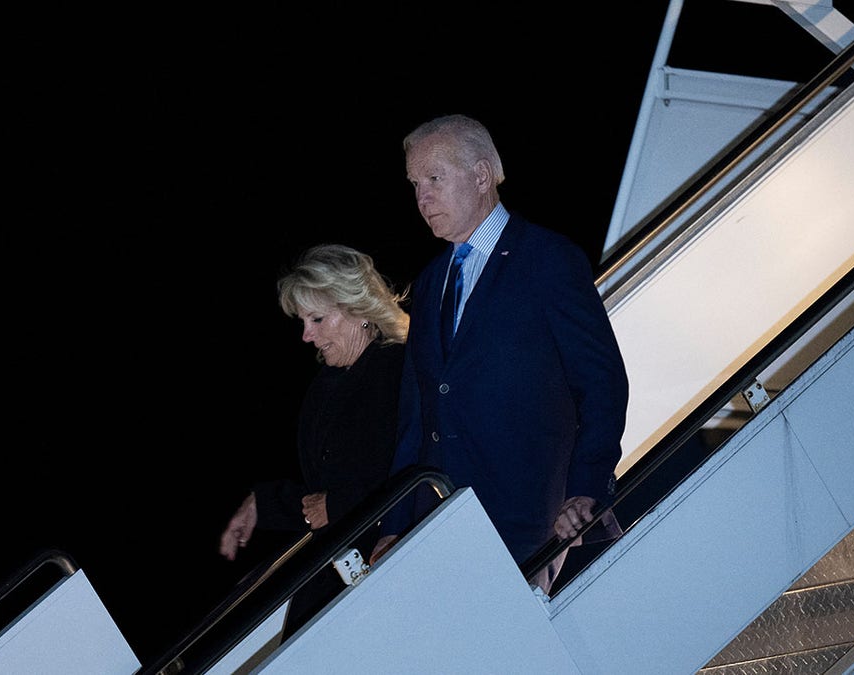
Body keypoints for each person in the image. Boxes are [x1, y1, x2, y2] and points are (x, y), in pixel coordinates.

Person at [373, 114, 629, 594]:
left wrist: (587, 487)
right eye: (414, 184)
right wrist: (393, 524)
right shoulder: (429, 284)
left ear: (482, 175)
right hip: (440, 526)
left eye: (434, 178)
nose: (422, 198)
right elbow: (418, 415)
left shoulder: (548, 260)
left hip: (529, 524)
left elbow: (602, 383)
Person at [218, 243, 410, 636]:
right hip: (338, 571)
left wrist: (338, 504)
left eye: (318, 319)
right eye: (303, 321)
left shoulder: (399, 370)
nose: (306, 335)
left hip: (389, 575)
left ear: (357, 310)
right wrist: (264, 505)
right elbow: (319, 498)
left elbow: (412, 467)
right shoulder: (329, 383)